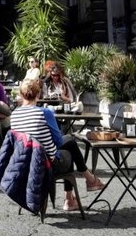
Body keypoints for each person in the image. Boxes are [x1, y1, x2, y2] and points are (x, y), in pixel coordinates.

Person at [10, 78, 105, 211]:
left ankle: (77, 192)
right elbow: (58, 141)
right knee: (69, 144)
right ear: (38, 95)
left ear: (21, 94)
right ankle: (80, 188)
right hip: (46, 163)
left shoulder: (14, 115)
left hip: (24, 162)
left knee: (68, 146)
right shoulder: (45, 113)